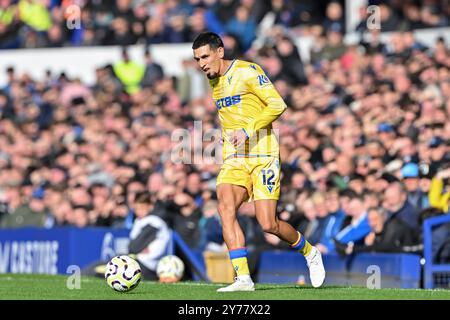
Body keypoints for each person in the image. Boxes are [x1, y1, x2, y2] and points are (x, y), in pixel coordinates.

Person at [192, 32, 325, 292]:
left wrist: (247, 130)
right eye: (197, 59)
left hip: (263, 155)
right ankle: (243, 278)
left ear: (220, 52)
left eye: (205, 56)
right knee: (225, 208)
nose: (201, 64)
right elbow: (230, 115)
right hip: (235, 158)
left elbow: (278, 104)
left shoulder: (248, 71)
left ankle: (310, 252)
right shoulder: (213, 80)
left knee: (268, 224)